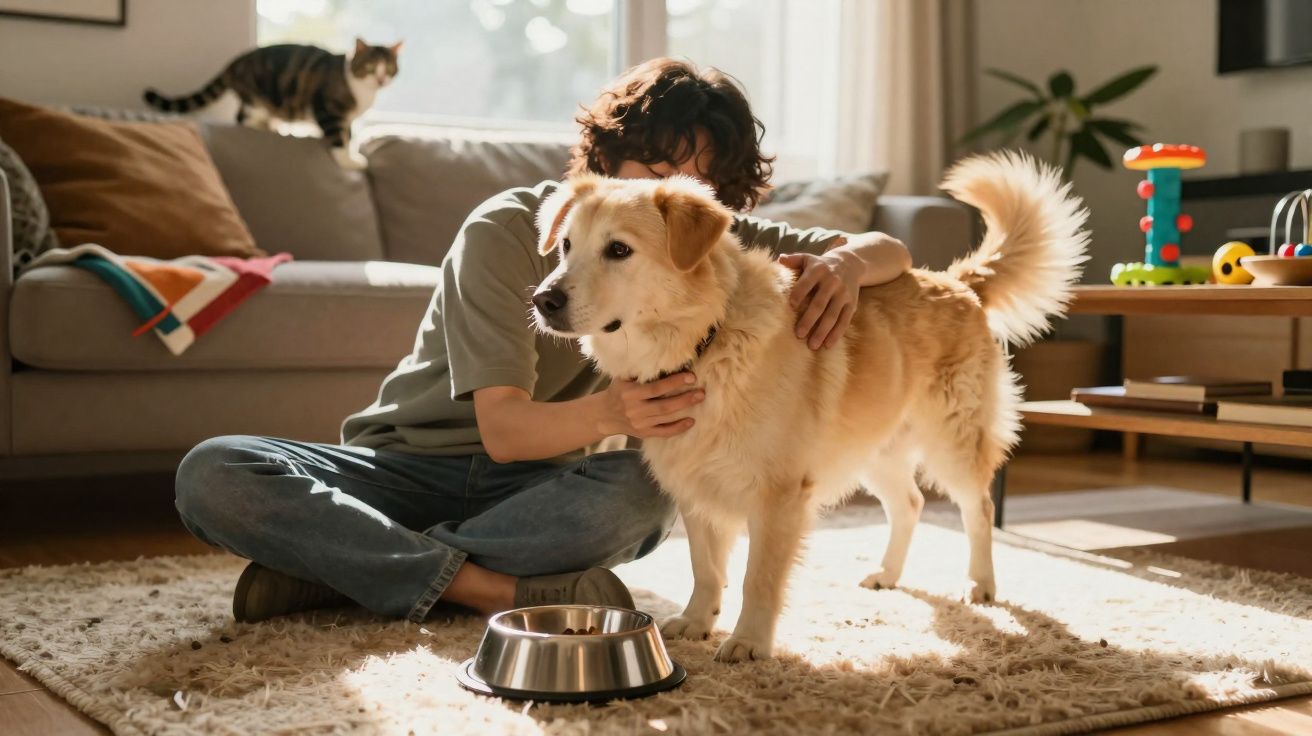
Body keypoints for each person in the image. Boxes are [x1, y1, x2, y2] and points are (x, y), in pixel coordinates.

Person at [174, 58, 912, 624]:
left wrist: (846, 266)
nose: (673, 194)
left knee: (646, 497)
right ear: (605, 157)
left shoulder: (689, 229)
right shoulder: (505, 229)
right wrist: (619, 415)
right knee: (214, 470)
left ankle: (337, 565)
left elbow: (888, 246)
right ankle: (484, 587)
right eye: (656, 170)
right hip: (403, 470)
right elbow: (502, 430)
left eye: (696, 185)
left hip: (542, 490)